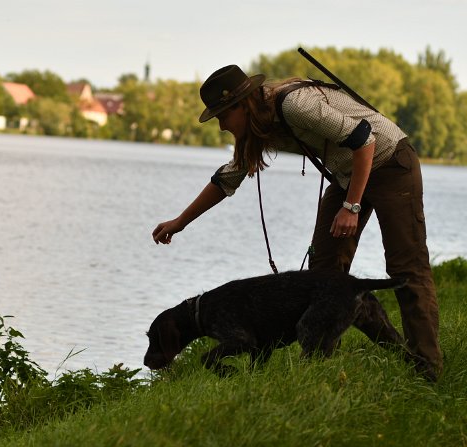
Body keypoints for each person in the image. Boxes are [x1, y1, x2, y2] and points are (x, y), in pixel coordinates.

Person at [152, 64, 442, 380]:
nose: (221, 126)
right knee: (324, 273)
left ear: (242, 104)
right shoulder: (260, 126)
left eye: (222, 116)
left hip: (390, 163)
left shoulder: (295, 105)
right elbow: (227, 179)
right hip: (349, 174)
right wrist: (180, 221)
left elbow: (365, 139)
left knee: (406, 268)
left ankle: (427, 368)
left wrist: (352, 205)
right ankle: (319, 369)